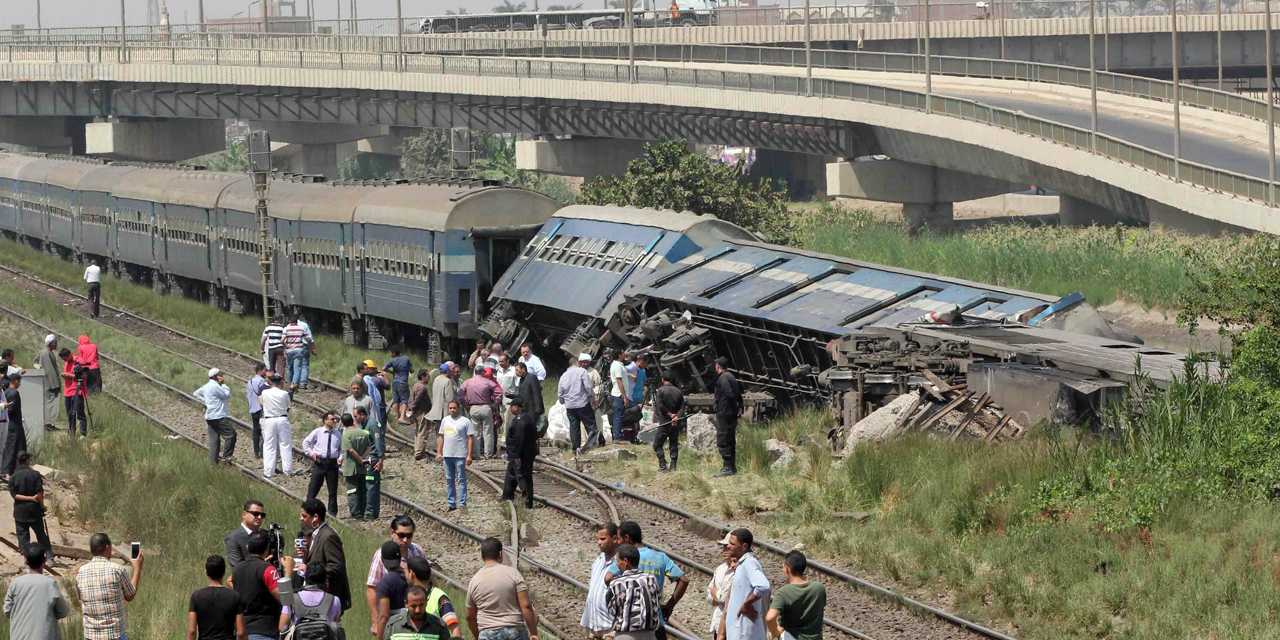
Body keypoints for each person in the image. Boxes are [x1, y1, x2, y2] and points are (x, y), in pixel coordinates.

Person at [604, 521, 688, 640]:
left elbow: (608, 578)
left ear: (627, 538)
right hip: (654, 624)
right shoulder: (660, 557)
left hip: (629, 626)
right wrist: (670, 605)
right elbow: (683, 580)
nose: (617, 542)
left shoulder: (624, 557)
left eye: (618, 538)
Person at [465, 537, 539, 640]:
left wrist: (477, 636)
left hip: (487, 634)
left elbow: (469, 616)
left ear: (482, 556)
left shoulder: (474, 581)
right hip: (514, 632)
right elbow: (526, 605)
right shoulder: (513, 574)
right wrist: (533, 633)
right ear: (501, 554)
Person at [75, 532, 143, 640]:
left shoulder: (81, 572)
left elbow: (81, 598)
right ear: (107, 548)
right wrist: (137, 568)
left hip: (90, 635)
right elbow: (130, 595)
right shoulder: (117, 570)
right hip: (114, 634)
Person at [366, 516, 426, 629]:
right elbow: (372, 589)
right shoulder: (381, 556)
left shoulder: (417, 551)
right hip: (392, 618)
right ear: (392, 533)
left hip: (418, 614)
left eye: (409, 536)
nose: (405, 540)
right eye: (401, 535)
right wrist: (375, 620)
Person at [4, 543, 69, 640]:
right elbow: (63, 612)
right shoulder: (50, 584)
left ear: (26, 561)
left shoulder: (15, 584)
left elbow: (7, 611)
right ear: (45, 560)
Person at [300, 499, 351, 612]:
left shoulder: (328, 536)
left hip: (327, 598)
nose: (301, 519)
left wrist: (308, 569)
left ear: (315, 518)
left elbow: (336, 567)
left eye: (304, 516)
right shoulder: (316, 534)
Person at [231, 531, 282, 640]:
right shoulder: (267, 569)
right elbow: (284, 598)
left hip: (243, 630)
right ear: (267, 549)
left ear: (248, 547)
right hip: (264, 631)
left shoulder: (237, 569)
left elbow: (229, 581)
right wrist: (289, 573)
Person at [606, 544, 661, 640]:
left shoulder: (617, 583)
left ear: (625, 561)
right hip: (650, 635)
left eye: (618, 560)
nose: (617, 564)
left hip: (625, 635)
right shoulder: (652, 580)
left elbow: (612, 610)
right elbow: (657, 601)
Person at [722, 529, 769, 640]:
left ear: (744, 547)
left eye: (732, 544)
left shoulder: (749, 563)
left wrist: (747, 604)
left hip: (745, 633)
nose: (728, 546)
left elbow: (763, 586)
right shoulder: (742, 564)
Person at [766, 551, 825, 640]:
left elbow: (770, 618)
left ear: (787, 569)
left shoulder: (783, 593)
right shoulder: (819, 588)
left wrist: (775, 632)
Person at [187, 555, 246, 640]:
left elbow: (192, 631)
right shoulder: (234, 596)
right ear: (224, 572)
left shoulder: (196, 596)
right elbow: (240, 632)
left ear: (207, 573)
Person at [277, 561, 341, 637]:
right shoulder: (334, 600)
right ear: (325, 581)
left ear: (306, 578)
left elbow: (282, 627)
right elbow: (336, 628)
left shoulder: (292, 599)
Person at [581, 523, 619, 639]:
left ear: (614, 539)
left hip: (609, 627)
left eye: (603, 539)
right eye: (598, 539)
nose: (599, 542)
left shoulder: (620, 563)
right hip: (591, 624)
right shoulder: (598, 560)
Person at [406, 557, 461, 637]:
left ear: (411, 574)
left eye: (405, 571)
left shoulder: (439, 597)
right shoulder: (408, 596)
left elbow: (455, 630)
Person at [303, 412, 344, 516]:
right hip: (320, 462)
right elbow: (306, 443)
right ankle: (308, 510)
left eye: (335, 419)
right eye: (332, 419)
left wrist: (340, 458)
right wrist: (312, 453)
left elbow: (341, 449)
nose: (335, 421)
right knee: (313, 487)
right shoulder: (318, 432)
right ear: (325, 421)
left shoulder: (338, 434)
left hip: (332, 464)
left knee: (333, 490)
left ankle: (332, 513)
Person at [499, 399, 538, 510]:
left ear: (515, 407)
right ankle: (507, 495)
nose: (510, 409)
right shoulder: (526, 418)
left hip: (521, 454)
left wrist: (517, 455)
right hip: (518, 454)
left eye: (511, 407)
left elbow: (519, 440)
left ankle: (527, 501)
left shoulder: (521, 421)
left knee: (523, 477)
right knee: (511, 474)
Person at [437, 401, 475, 512]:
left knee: (461, 479)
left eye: (454, 408)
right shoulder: (445, 421)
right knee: (449, 479)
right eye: (450, 408)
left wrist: (469, 455)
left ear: (458, 409)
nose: (452, 410)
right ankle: (451, 503)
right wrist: (439, 452)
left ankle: (462, 503)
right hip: (447, 455)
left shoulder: (465, 421)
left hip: (460, 455)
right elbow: (441, 437)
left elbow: (470, 439)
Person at [10, 453, 50, 557]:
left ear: (17, 462)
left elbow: (14, 495)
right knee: (41, 535)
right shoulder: (35, 474)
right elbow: (40, 493)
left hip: (20, 511)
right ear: (27, 461)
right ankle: (49, 558)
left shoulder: (13, 476)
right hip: (34, 510)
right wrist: (41, 505)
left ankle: (26, 560)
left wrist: (28, 498)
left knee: (23, 537)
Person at [559, 354, 599, 455]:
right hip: (582, 403)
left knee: (574, 427)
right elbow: (588, 387)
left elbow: (560, 393)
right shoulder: (582, 371)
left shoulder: (563, 375)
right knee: (590, 425)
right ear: (577, 363)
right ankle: (593, 445)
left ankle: (575, 448)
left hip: (570, 406)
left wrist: (563, 402)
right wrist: (593, 397)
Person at [460, 365, 502, 460]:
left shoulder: (467, 382)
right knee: (488, 432)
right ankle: (488, 454)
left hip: (473, 407)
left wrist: (465, 405)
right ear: (483, 372)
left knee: (475, 432)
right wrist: (494, 404)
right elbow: (499, 393)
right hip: (486, 407)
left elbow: (460, 394)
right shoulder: (488, 382)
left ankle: (476, 454)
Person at [195, 368, 236, 465]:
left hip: (210, 417)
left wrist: (206, 402)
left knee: (214, 440)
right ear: (217, 376)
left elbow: (195, 393)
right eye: (220, 375)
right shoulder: (216, 386)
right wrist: (223, 384)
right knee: (231, 434)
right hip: (219, 416)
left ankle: (212, 463)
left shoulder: (206, 386)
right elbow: (227, 395)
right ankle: (226, 458)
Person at [712, 358, 744, 478]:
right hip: (731, 412)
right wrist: (738, 406)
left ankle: (727, 467)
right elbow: (738, 394)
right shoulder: (731, 376)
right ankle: (732, 467)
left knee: (722, 439)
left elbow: (729, 393)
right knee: (730, 440)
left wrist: (727, 406)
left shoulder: (723, 378)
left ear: (718, 366)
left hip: (724, 412)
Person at [384, 586, 452, 640]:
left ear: (426, 603)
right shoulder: (393, 626)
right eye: (413, 606)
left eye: (421, 605)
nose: (418, 610)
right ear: (406, 604)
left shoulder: (439, 626)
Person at [260, 374, 294, 479]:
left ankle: (268, 471)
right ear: (280, 383)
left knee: (269, 445)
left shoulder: (264, 393)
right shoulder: (284, 394)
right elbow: (288, 404)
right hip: (282, 419)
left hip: (269, 419)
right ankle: (287, 470)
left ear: (270, 382)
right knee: (285, 444)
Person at [340, 414, 373, 520]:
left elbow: (350, 450)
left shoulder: (346, 435)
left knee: (352, 491)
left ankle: (356, 514)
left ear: (344, 424)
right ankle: (363, 512)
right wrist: (363, 459)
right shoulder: (362, 432)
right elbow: (369, 447)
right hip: (362, 468)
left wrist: (359, 459)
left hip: (351, 467)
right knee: (363, 490)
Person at [353, 407, 384, 520]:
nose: (355, 419)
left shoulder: (372, 425)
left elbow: (378, 442)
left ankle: (370, 512)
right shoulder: (364, 424)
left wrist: (380, 460)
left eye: (356, 416)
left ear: (362, 414)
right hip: (368, 458)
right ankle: (371, 512)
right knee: (370, 485)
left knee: (370, 485)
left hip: (373, 459)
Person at [374, 542, 410, 640]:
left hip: (394, 632)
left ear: (382, 560)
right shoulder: (410, 576)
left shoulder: (385, 582)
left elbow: (384, 616)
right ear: (400, 558)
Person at [651, 373, 685, 473]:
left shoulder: (661, 390)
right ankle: (673, 466)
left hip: (665, 422)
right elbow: (682, 407)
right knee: (674, 444)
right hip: (675, 423)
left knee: (657, 444)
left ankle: (662, 465)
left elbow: (660, 406)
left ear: (663, 379)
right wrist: (677, 417)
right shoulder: (678, 391)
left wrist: (670, 415)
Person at [706, 534, 737, 639]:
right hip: (717, 623)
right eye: (723, 547)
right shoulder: (720, 569)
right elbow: (709, 592)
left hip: (731, 626)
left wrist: (715, 593)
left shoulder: (737, 570)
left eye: (727, 547)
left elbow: (723, 598)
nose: (724, 550)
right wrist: (715, 597)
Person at [426, 363, 458, 457]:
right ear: (447, 371)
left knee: (438, 433)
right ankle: (446, 451)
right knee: (448, 432)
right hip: (444, 412)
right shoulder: (447, 381)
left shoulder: (436, 379)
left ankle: (440, 451)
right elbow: (450, 398)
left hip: (435, 410)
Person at [225, 500, 266, 571]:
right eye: (255, 514)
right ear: (244, 514)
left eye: (262, 515)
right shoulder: (233, 538)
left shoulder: (266, 535)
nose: (259, 517)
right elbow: (238, 569)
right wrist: (262, 563)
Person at [58, 348, 87, 438]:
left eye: (66, 358)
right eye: (64, 360)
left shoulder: (80, 361)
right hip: (67, 391)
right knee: (70, 414)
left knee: (79, 412)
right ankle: (71, 433)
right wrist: (64, 376)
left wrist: (69, 375)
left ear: (70, 354)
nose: (65, 361)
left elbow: (84, 376)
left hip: (77, 389)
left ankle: (83, 433)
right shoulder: (66, 362)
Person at [0, 373, 25, 480]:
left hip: (8, 423)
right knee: (12, 449)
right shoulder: (14, 392)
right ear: (16, 381)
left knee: (7, 448)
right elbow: (10, 409)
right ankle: (8, 471)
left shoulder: (4, 392)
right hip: (13, 424)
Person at [406, 369, 433, 461]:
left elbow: (411, 400)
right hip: (421, 412)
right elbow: (417, 400)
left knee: (418, 432)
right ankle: (419, 453)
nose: (429, 378)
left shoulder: (416, 385)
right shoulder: (422, 387)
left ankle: (417, 450)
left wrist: (410, 411)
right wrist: (413, 410)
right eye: (428, 376)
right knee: (422, 432)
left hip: (417, 412)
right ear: (423, 377)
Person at [383, 348, 412, 424]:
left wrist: (392, 372)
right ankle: (402, 418)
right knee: (404, 400)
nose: (390, 354)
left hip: (395, 382)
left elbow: (384, 368)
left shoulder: (392, 360)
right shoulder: (406, 358)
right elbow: (411, 369)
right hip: (403, 382)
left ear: (393, 353)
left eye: (390, 353)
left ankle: (397, 417)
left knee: (396, 400)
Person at [35, 335, 59, 430]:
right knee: (50, 404)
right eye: (55, 342)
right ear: (50, 343)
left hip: (47, 382)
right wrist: (55, 384)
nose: (56, 344)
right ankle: (47, 424)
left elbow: (35, 362)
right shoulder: (46, 353)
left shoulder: (44, 352)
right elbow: (49, 370)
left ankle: (48, 424)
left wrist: (39, 368)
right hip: (50, 383)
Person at [246, 364, 269, 459]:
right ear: (260, 371)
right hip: (261, 409)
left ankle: (256, 452)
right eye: (265, 370)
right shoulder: (262, 381)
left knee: (255, 431)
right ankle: (263, 453)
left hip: (253, 409)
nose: (266, 372)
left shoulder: (250, 381)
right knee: (264, 431)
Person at [608, 350, 631, 444]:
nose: (625, 353)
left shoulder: (618, 364)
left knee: (618, 415)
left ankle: (617, 435)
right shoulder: (617, 366)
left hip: (618, 394)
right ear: (619, 354)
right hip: (618, 394)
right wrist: (624, 396)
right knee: (618, 416)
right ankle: (617, 437)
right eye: (623, 352)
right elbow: (619, 381)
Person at [282, 319, 310, 394]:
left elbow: (282, 340)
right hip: (299, 351)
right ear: (297, 322)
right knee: (297, 369)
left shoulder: (286, 329)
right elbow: (308, 339)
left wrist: (286, 346)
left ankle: (289, 385)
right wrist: (312, 347)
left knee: (289, 368)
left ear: (290, 321)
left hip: (289, 351)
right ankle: (294, 386)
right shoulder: (301, 329)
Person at [514, 363, 544, 427]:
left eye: (517, 370)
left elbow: (536, 393)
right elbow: (521, 394)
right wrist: (511, 395)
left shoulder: (532, 377)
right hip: (524, 410)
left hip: (532, 410)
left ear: (523, 369)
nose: (516, 372)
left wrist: (538, 410)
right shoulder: (521, 380)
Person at [292, 312, 316, 390]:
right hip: (304, 346)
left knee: (296, 364)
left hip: (294, 346)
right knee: (305, 365)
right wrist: (313, 348)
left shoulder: (290, 326)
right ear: (300, 317)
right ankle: (303, 383)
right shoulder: (304, 325)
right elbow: (310, 338)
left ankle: (295, 382)